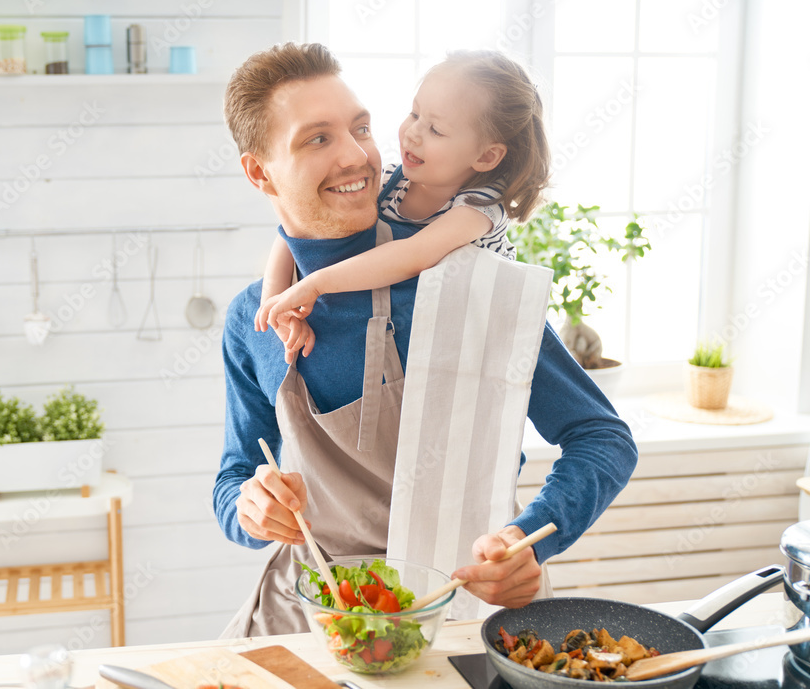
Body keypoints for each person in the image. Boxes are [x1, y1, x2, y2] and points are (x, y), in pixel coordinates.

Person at [212, 42, 637, 638]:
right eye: (318, 139)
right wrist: (248, 509)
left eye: (361, 127)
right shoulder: (252, 319)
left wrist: (528, 540)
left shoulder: (471, 286)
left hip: (458, 608)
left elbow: (602, 438)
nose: (358, 155)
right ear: (259, 172)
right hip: (305, 617)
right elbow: (233, 477)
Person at [255, 50, 545, 363]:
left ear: (486, 157)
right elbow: (293, 229)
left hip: (477, 341)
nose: (412, 133)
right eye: (415, 114)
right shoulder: (392, 180)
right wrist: (273, 299)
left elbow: (413, 256)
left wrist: (316, 284)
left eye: (435, 130)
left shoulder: (481, 205)